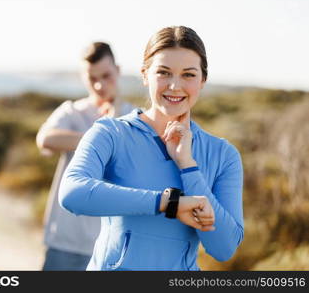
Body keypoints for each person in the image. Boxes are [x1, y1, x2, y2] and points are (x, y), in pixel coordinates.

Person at [59, 26, 244, 271]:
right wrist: (168, 203)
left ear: (203, 80)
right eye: (164, 73)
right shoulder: (110, 133)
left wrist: (188, 166)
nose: (175, 86)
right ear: (145, 74)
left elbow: (224, 248)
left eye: (188, 74)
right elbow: (72, 193)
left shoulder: (223, 154)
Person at [36, 42, 133, 270]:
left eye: (106, 75)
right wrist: (98, 137)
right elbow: (45, 139)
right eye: (92, 78)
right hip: (64, 242)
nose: (99, 85)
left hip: (112, 246)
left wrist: (116, 117)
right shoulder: (72, 111)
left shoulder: (133, 116)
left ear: (117, 71)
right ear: (83, 77)